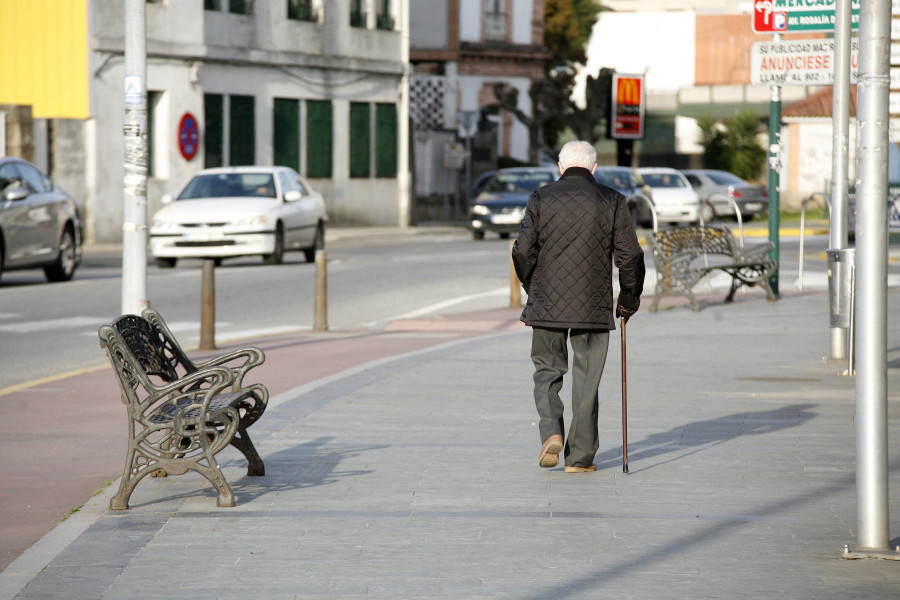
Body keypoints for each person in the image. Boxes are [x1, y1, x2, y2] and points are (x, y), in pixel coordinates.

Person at [512, 140, 645, 473]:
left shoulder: (540, 198)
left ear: (560, 167)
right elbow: (630, 256)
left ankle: (551, 432)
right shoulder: (612, 200)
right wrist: (628, 300)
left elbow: (522, 251)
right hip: (593, 304)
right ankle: (580, 458)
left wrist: (532, 286)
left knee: (547, 371)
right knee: (587, 380)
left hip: (547, 304)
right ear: (594, 168)